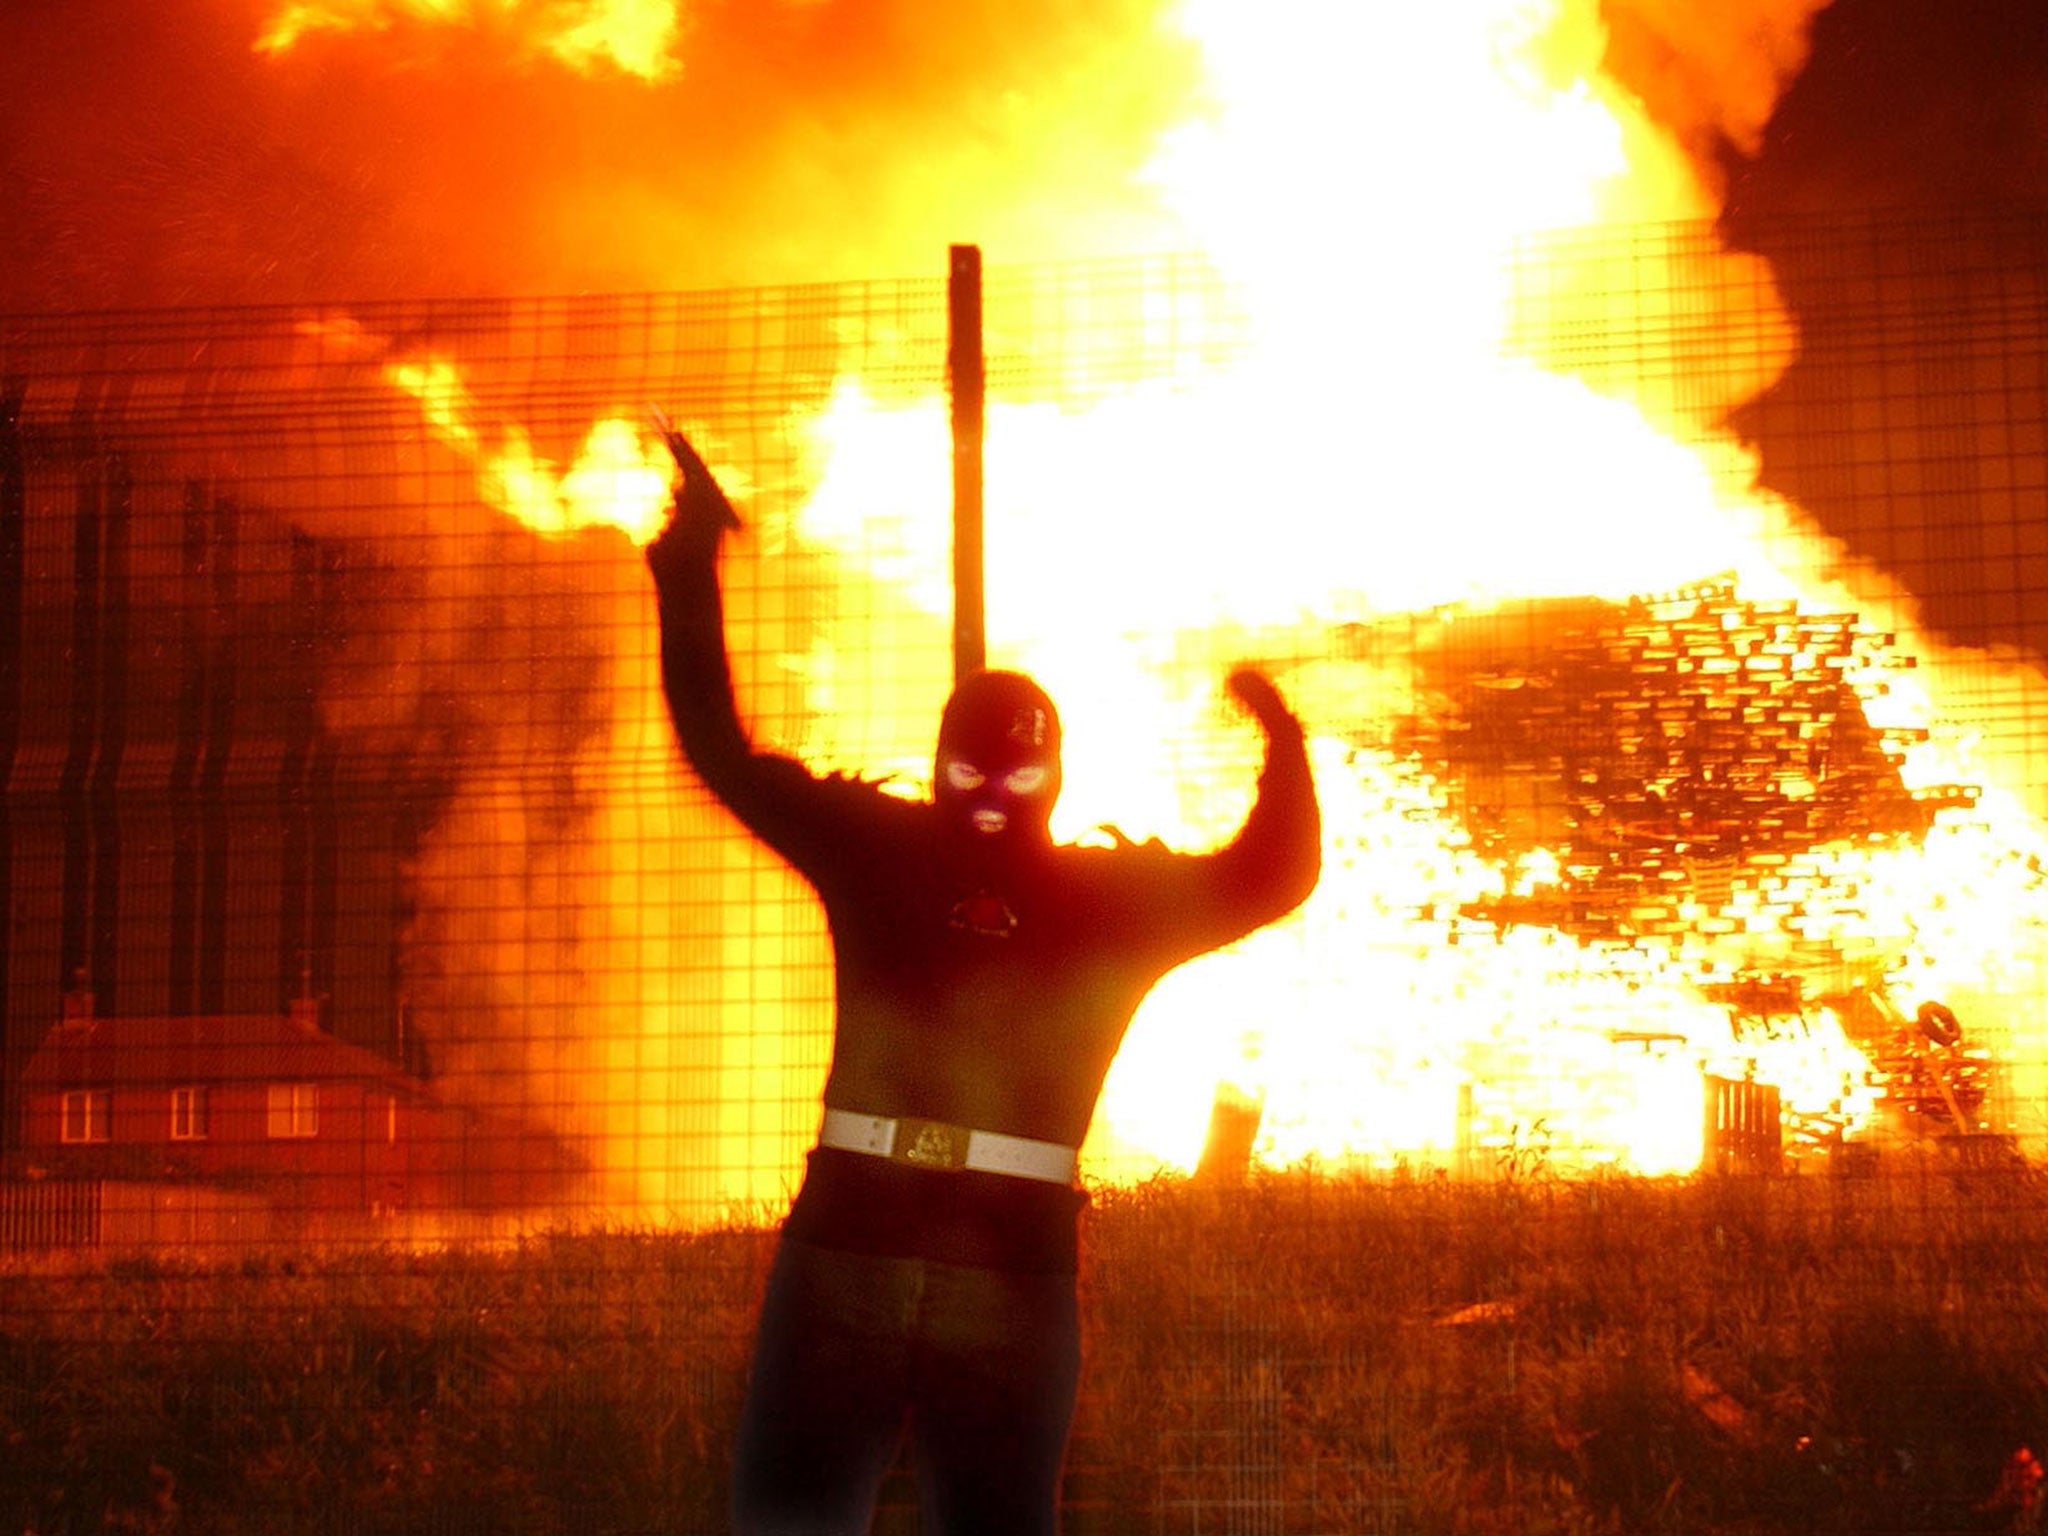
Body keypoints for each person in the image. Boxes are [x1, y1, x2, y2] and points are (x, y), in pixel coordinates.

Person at [646, 425, 1321, 1535]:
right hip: (907, 1254)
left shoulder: (957, 865)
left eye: (1016, 777)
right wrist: (687, 560)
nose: (995, 798)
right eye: (972, 775)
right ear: (937, 766)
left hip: (936, 1258)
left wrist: (1283, 740)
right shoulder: (1046, 887)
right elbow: (1270, 875)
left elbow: (1271, 876)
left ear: (1053, 777)